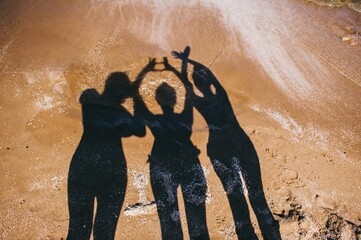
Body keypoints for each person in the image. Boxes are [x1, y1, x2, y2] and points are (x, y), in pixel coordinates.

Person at [172, 47, 281, 240]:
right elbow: (210, 79)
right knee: (257, 197)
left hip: (219, 148)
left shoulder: (202, 102)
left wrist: (183, 65)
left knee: (236, 198)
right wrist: (189, 62)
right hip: (240, 144)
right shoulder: (221, 97)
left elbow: (187, 87)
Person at [133, 58, 210, 240]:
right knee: (198, 225)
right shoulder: (184, 119)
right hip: (189, 162)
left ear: (158, 101)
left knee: (169, 223)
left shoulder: (156, 122)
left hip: (163, 166)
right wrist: (178, 68)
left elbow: (136, 97)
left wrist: (146, 69)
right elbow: (189, 90)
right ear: (175, 99)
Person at [67, 71, 146, 240]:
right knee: (105, 231)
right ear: (122, 93)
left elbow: (87, 97)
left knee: (78, 229)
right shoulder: (121, 114)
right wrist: (137, 97)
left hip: (83, 165)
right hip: (112, 169)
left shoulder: (90, 102)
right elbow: (140, 130)